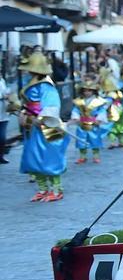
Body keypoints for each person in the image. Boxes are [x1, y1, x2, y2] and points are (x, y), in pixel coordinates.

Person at [17, 52, 68, 201]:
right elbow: (27, 103)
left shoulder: (46, 85)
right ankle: (43, 189)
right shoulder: (31, 82)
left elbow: (51, 104)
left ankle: (56, 190)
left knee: (51, 158)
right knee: (33, 158)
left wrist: (42, 118)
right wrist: (22, 112)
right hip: (32, 126)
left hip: (47, 126)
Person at [70, 76, 110, 165]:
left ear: (93, 91)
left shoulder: (98, 101)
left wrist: (99, 119)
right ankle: (82, 156)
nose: (87, 92)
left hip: (93, 124)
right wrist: (75, 117)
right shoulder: (79, 101)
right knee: (81, 140)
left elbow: (102, 111)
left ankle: (96, 155)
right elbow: (75, 110)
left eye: (89, 90)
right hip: (82, 124)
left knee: (95, 140)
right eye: (85, 90)